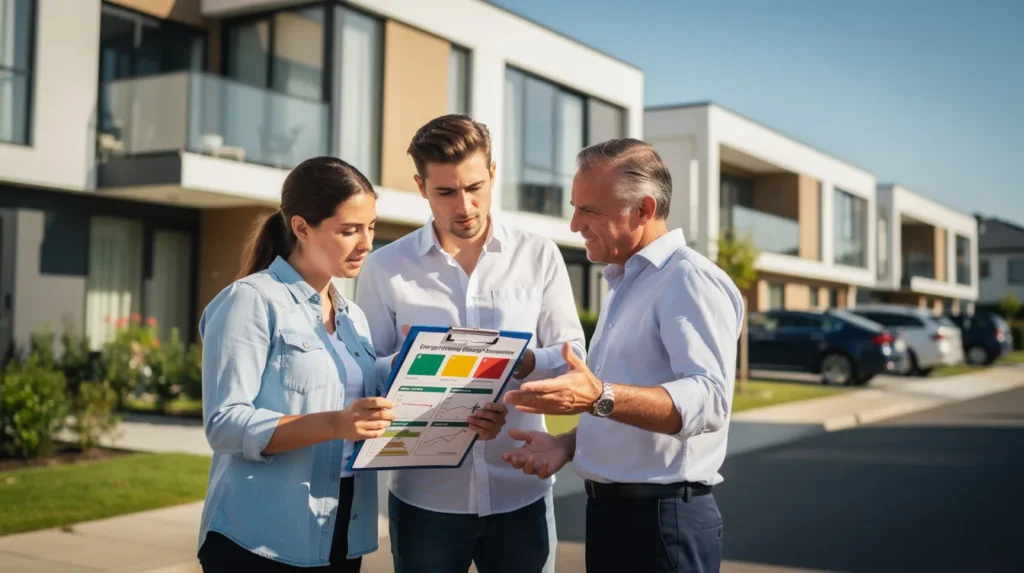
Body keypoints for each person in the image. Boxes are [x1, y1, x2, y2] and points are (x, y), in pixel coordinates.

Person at [355, 114, 586, 573]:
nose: (464, 205)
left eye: (475, 186)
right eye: (446, 192)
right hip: (425, 502)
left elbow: (574, 362)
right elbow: (366, 375)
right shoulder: (385, 268)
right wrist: (411, 374)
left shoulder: (538, 256)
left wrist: (519, 366)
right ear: (422, 187)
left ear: (493, 174)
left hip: (520, 491)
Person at [501, 138, 744, 573]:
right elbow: (623, 397)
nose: (575, 224)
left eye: (589, 210)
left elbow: (708, 401)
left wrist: (596, 396)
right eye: (574, 207)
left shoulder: (687, 280)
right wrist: (569, 443)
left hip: (662, 525)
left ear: (644, 210)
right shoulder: (626, 283)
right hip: (617, 518)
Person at [196, 156, 396, 572]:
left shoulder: (353, 317)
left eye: (371, 226)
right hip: (261, 539)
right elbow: (225, 423)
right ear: (302, 228)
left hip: (342, 530)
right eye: (349, 230)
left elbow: (368, 395)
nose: (367, 243)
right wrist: (334, 424)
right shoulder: (250, 301)